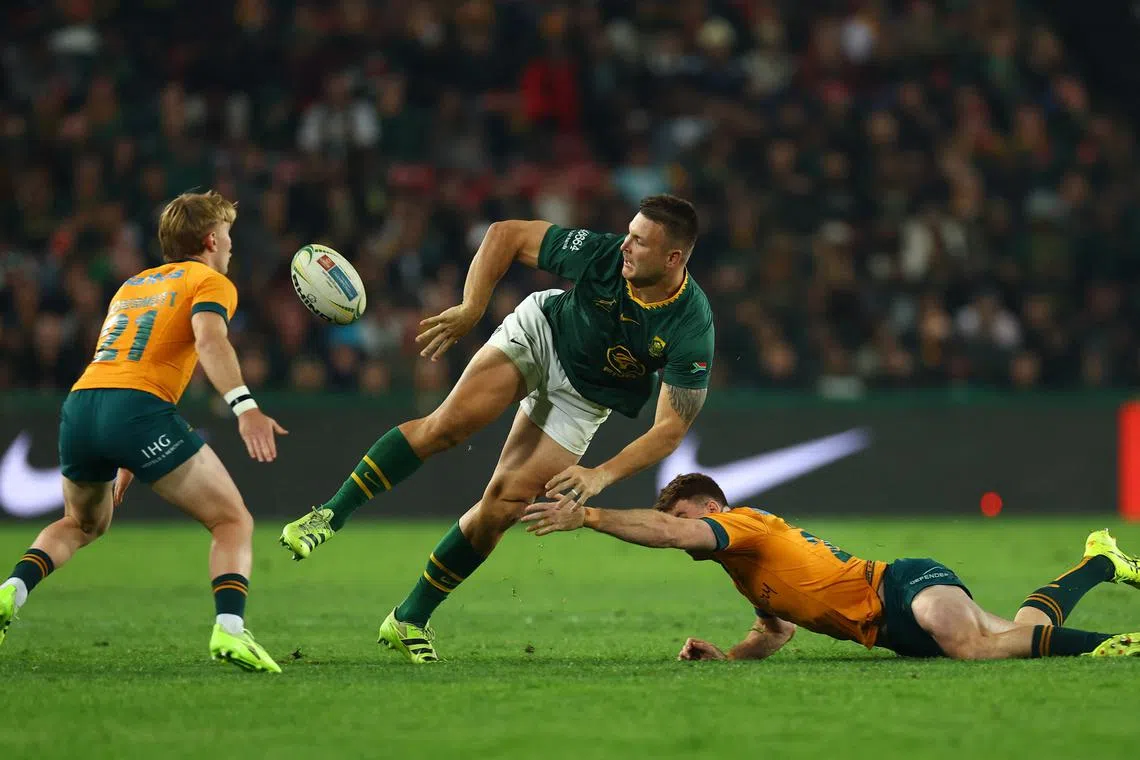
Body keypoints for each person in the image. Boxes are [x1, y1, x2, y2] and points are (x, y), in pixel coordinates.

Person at [279, 195, 715, 663]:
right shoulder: (602, 253)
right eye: (628, 233)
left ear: (673, 258)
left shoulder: (691, 325)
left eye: (639, 241)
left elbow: (670, 429)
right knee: (446, 428)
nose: (625, 245)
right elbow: (505, 234)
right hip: (541, 333)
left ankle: (409, 618)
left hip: (584, 400)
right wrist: (471, 307)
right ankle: (329, 514)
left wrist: (600, 474)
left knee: (504, 506)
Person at [0, 191, 286, 673]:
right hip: (136, 408)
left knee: (84, 523)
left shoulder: (132, 285)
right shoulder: (210, 280)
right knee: (232, 521)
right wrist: (245, 406)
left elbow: (127, 364)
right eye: (229, 236)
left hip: (82, 404)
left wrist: (127, 453)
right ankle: (231, 631)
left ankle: (11, 589)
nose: (232, 247)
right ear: (212, 238)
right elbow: (209, 340)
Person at [522, 473, 1140, 660]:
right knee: (1010, 634)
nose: (685, 532)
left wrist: (590, 517)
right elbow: (776, 630)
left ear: (711, 508)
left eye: (688, 518)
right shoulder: (740, 567)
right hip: (891, 633)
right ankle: (1098, 562)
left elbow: (661, 531)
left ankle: (1117, 644)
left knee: (969, 645)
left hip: (900, 583)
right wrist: (728, 660)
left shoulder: (742, 525)